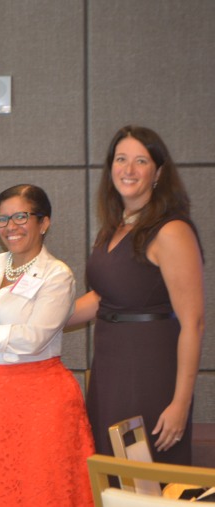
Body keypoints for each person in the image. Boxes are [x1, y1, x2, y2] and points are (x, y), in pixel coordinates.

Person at [0, 184, 94, 506]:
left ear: (44, 222)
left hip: (41, 399)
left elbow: (32, 339)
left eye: (20, 216)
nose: (10, 226)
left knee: (42, 490)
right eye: (2, 219)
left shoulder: (57, 275)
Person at [68, 125, 204, 464]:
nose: (128, 170)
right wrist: (36, 319)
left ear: (158, 172)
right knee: (113, 472)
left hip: (149, 369)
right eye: (121, 159)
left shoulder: (172, 230)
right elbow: (103, 297)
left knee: (146, 479)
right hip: (110, 367)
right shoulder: (114, 227)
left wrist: (180, 404)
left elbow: (194, 323)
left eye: (140, 161)